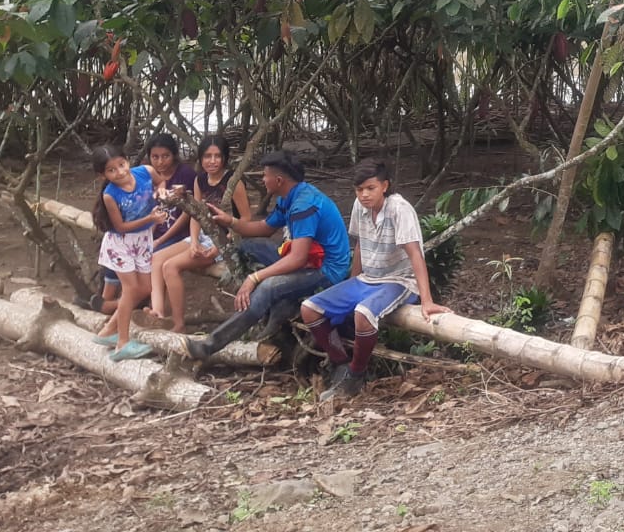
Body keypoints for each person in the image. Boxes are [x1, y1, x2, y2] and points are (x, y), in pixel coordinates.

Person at [299, 160, 450, 402]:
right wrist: (351, 280)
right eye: (359, 190)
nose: (364, 195)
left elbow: (415, 254)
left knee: (363, 313)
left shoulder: (399, 209)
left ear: (384, 186)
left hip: (398, 280)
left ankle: (356, 375)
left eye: (371, 188)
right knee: (309, 309)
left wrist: (427, 300)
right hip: (366, 278)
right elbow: (361, 243)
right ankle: (341, 364)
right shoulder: (360, 207)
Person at [184, 150, 351, 361]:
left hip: (326, 270)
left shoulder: (304, 205)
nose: (262, 180)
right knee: (250, 245)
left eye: (265, 175)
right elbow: (264, 228)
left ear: (278, 180)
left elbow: (298, 258)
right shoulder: (288, 197)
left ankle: (209, 346)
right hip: (308, 260)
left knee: (267, 287)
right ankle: (275, 309)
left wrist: (255, 277)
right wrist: (230, 221)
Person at [149, 135, 252, 332]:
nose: (212, 161)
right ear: (200, 158)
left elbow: (246, 219)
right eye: (207, 156)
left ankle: (178, 323)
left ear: (225, 158)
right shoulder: (200, 179)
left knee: (170, 266)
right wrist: (194, 241)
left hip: (227, 239)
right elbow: (196, 214)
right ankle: (158, 313)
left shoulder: (233, 182)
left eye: (217, 156)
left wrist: (220, 246)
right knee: (157, 259)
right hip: (205, 235)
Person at [89, 145, 161, 361]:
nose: (120, 172)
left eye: (121, 165)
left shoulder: (146, 172)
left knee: (145, 288)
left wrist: (162, 192)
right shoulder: (110, 195)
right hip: (121, 244)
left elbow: (161, 182)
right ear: (103, 175)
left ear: (127, 160)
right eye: (112, 170)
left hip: (143, 240)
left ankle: (108, 331)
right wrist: (150, 219)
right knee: (130, 289)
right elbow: (120, 227)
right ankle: (122, 343)